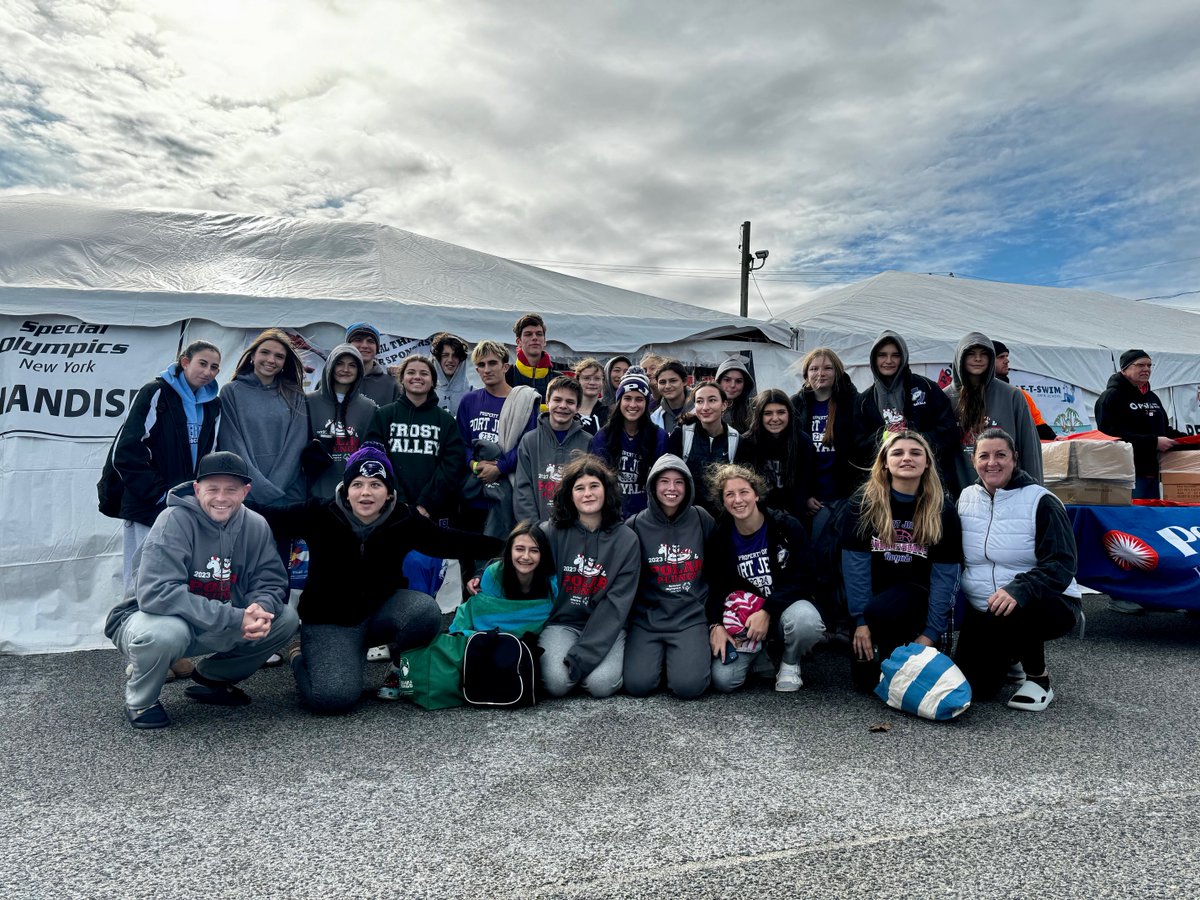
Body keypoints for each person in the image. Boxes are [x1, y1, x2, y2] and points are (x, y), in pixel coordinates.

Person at [257, 446, 502, 713]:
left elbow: (450, 541)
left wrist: (506, 549)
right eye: (358, 484)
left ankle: (398, 667)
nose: (366, 492)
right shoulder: (319, 512)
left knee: (424, 611)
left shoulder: (404, 518)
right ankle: (300, 656)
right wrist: (227, 502)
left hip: (380, 612)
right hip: (330, 621)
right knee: (332, 698)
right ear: (346, 490)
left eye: (376, 484)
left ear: (388, 492)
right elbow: (267, 517)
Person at [104, 451, 300, 729]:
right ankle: (141, 701)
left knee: (284, 618)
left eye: (231, 489)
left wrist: (260, 606)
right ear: (197, 489)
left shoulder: (256, 524)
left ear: (245, 491)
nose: (221, 497)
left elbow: (270, 580)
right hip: (153, 619)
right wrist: (236, 617)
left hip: (214, 619)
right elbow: (156, 593)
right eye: (212, 489)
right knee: (165, 634)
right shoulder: (173, 520)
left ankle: (214, 678)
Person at [955, 429, 1081, 711]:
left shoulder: (1042, 501)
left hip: (1044, 603)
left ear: (1015, 458)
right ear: (973, 461)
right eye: (984, 456)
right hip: (986, 608)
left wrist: (1019, 588)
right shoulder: (965, 498)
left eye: (1000, 455)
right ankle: (1011, 654)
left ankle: (1038, 679)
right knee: (977, 689)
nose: (992, 463)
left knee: (1017, 603)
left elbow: (1062, 564)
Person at [840, 431, 961, 691]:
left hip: (918, 601)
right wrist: (860, 622)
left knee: (906, 685)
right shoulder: (863, 503)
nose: (907, 458)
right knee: (866, 684)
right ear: (885, 462)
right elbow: (854, 567)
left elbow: (946, 576)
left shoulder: (942, 509)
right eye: (897, 453)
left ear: (927, 463)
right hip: (871, 605)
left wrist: (930, 634)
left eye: (915, 453)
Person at [110, 340, 223, 594]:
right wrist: (159, 495)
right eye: (202, 363)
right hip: (148, 505)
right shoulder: (155, 392)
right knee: (140, 578)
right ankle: (132, 617)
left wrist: (200, 497)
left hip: (187, 506)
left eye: (214, 367)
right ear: (185, 362)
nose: (208, 372)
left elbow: (211, 457)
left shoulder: (213, 405)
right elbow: (126, 451)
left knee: (178, 575)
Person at [704, 464, 823, 693]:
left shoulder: (785, 526)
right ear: (723, 501)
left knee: (807, 621)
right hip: (745, 621)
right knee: (724, 680)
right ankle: (762, 655)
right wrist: (716, 625)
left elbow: (806, 577)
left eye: (744, 492)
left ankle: (789, 662)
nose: (738, 500)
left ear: (756, 495)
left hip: (783, 611)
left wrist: (767, 610)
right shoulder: (720, 538)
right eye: (730, 494)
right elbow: (715, 587)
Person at [537, 455, 641, 698]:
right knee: (556, 683)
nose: (588, 494)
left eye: (594, 486)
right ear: (569, 495)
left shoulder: (627, 540)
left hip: (607, 625)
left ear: (606, 491)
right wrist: (481, 575)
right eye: (579, 488)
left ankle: (584, 667)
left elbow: (617, 604)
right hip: (562, 623)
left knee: (601, 685)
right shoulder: (550, 532)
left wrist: (583, 656)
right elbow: (519, 559)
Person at [623, 455, 715, 699]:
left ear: (688, 486)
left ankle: (681, 661)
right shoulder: (635, 525)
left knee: (689, 687)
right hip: (648, 619)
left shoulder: (701, 519)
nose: (671, 488)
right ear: (653, 486)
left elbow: (716, 569)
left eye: (679, 482)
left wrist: (716, 620)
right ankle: (663, 662)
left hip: (689, 618)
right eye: (664, 481)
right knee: (637, 685)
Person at [853, 330, 959, 494]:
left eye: (895, 355)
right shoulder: (864, 401)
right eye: (882, 355)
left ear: (903, 357)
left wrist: (915, 438)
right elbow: (857, 445)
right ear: (874, 359)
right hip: (883, 487)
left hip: (929, 483)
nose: (889, 361)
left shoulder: (926, 388)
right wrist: (884, 437)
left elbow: (948, 430)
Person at [218, 328, 310, 510]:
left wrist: (274, 488)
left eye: (279, 356)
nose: (271, 360)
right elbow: (232, 444)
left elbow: (296, 444)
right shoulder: (231, 392)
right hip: (247, 494)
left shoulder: (294, 394)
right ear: (253, 355)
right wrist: (257, 487)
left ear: (284, 363)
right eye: (265, 352)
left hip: (289, 495)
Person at [366, 354, 466, 520]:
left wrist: (426, 503)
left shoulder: (446, 421)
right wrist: (399, 501)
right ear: (402, 379)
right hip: (390, 508)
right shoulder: (383, 416)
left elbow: (452, 465)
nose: (417, 377)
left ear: (433, 381)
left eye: (424, 373)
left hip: (433, 511)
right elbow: (375, 459)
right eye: (411, 372)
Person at [942, 332, 1043, 495]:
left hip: (1009, 494)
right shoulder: (944, 399)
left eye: (984, 354)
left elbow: (1029, 448)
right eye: (971, 354)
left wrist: (1034, 493)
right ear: (960, 357)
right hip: (959, 494)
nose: (978, 359)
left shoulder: (1012, 396)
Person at [1095, 348, 1184, 499]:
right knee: (1135, 512)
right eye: (1140, 365)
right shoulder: (1111, 397)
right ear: (1124, 369)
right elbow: (1109, 436)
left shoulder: (1152, 397)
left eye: (1149, 365)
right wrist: (1153, 442)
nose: (1146, 369)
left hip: (1154, 471)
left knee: (1152, 512)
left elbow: (1164, 430)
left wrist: (1190, 440)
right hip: (1126, 474)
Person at [790, 347, 861, 528]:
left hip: (845, 497)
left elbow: (861, 450)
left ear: (837, 372)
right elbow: (792, 458)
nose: (820, 373)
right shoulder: (795, 405)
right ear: (806, 374)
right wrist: (804, 496)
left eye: (827, 368)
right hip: (811, 500)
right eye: (814, 369)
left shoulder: (853, 403)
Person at [513, 375, 592, 525]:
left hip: (575, 529)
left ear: (578, 407)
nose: (563, 406)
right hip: (536, 529)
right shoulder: (529, 441)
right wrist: (533, 529)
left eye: (570, 402)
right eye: (557, 400)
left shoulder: (588, 442)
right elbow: (523, 490)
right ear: (547, 402)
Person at [591, 367, 668, 517]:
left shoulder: (659, 437)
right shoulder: (603, 436)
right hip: (612, 517)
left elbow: (663, 481)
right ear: (619, 401)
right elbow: (596, 480)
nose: (633, 405)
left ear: (646, 403)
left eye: (639, 399)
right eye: (627, 398)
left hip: (647, 518)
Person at [305, 343, 378, 499]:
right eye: (339, 363)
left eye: (352, 365)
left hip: (353, 495)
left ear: (359, 370)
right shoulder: (307, 402)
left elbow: (370, 454)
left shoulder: (369, 408)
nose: (345, 369)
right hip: (313, 493)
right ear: (330, 366)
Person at [735, 389, 816, 523]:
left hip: (795, 515)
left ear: (789, 413)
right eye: (768, 413)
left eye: (781, 412)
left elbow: (806, 480)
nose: (775, 418)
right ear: (759, 415)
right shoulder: (747, 443)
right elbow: (744, 483)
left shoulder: (802, 441)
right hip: (759, 515)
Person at [666, 381, 741, 515]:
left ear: (724, 405)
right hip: (687, 515)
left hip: (724, 516)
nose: (705, 407)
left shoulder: (736, 440)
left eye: (712, 400)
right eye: (699, 401)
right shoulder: (681, 435)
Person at [992, 340, 1056, 440]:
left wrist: (1054, 438)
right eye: (1001, 357)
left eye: (1007, 356)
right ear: (988, 360)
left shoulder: (1018, 394)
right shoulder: (975, 393)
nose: (1007, 361)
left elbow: (1038, 424)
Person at [346, 322, 401, 407]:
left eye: (370, 341)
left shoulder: (391, 384)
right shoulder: (334, 380)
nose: (365, 345)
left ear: (377, 348)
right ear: (347, 346)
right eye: (358, 340)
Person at [505, 313, 558, 398]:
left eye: (539, 334)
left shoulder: (558, 380)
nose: (534, 338)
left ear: (544, 341)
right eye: (528, 334)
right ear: (519, 342)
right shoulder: (506, 377)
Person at [431, 332, 472, 419]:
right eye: (445, 355)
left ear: (461, 360)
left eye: (455, 355)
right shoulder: (427, 391)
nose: (450, 360)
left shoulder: (473, 394)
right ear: (438, 358)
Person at [650, 359, 693, 434]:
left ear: (684, 381)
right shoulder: (655, 418)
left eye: (673, 381)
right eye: (662, 382)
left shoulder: (700, 410)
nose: (667, 386)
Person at [716, 358, 756, 433]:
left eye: (738, 381)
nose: (732, 385)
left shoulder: (753, 411)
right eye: (727, 380)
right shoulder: (705, 408)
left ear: (745, 385)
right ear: (719, 382)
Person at [573, 357, 610, 435]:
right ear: (578, 380)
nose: (592, 382)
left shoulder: (609, 414)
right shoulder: (568, 410)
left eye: (597, 378)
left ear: (603, 382)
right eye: (586, 378)